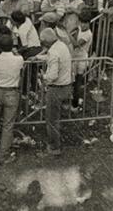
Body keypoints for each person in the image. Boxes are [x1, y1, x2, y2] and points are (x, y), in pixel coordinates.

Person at [0, 37, 24, 163]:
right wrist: (16, 52)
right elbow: (20, 59)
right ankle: (3, 155)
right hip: (11, 92)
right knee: (8, 125)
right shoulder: (18, 59)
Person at [40, 28, 72, 156]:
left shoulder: (53, 52)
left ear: (45, 42)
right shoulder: (61, 45)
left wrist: (43, 76)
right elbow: (51, 57)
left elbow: (52, 75)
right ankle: (56, 142)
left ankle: (54, 147)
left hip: (56, 88)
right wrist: (38, 57)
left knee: (52, 120)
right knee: (56, 118)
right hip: (66, 85)